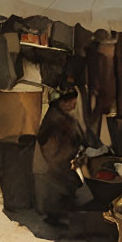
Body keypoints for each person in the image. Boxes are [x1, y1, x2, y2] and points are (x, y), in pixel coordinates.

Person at [34, 86, 90, 227]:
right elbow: (44, 139)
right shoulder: (58, 119)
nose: (72, 105)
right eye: (68, 102)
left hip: (61, 160)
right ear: (59, 101)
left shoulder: (63, 117)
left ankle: (61, 214)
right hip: (55, 160)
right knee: (66, 185)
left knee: (71, 184)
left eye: (74, 102)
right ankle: (58, 216)